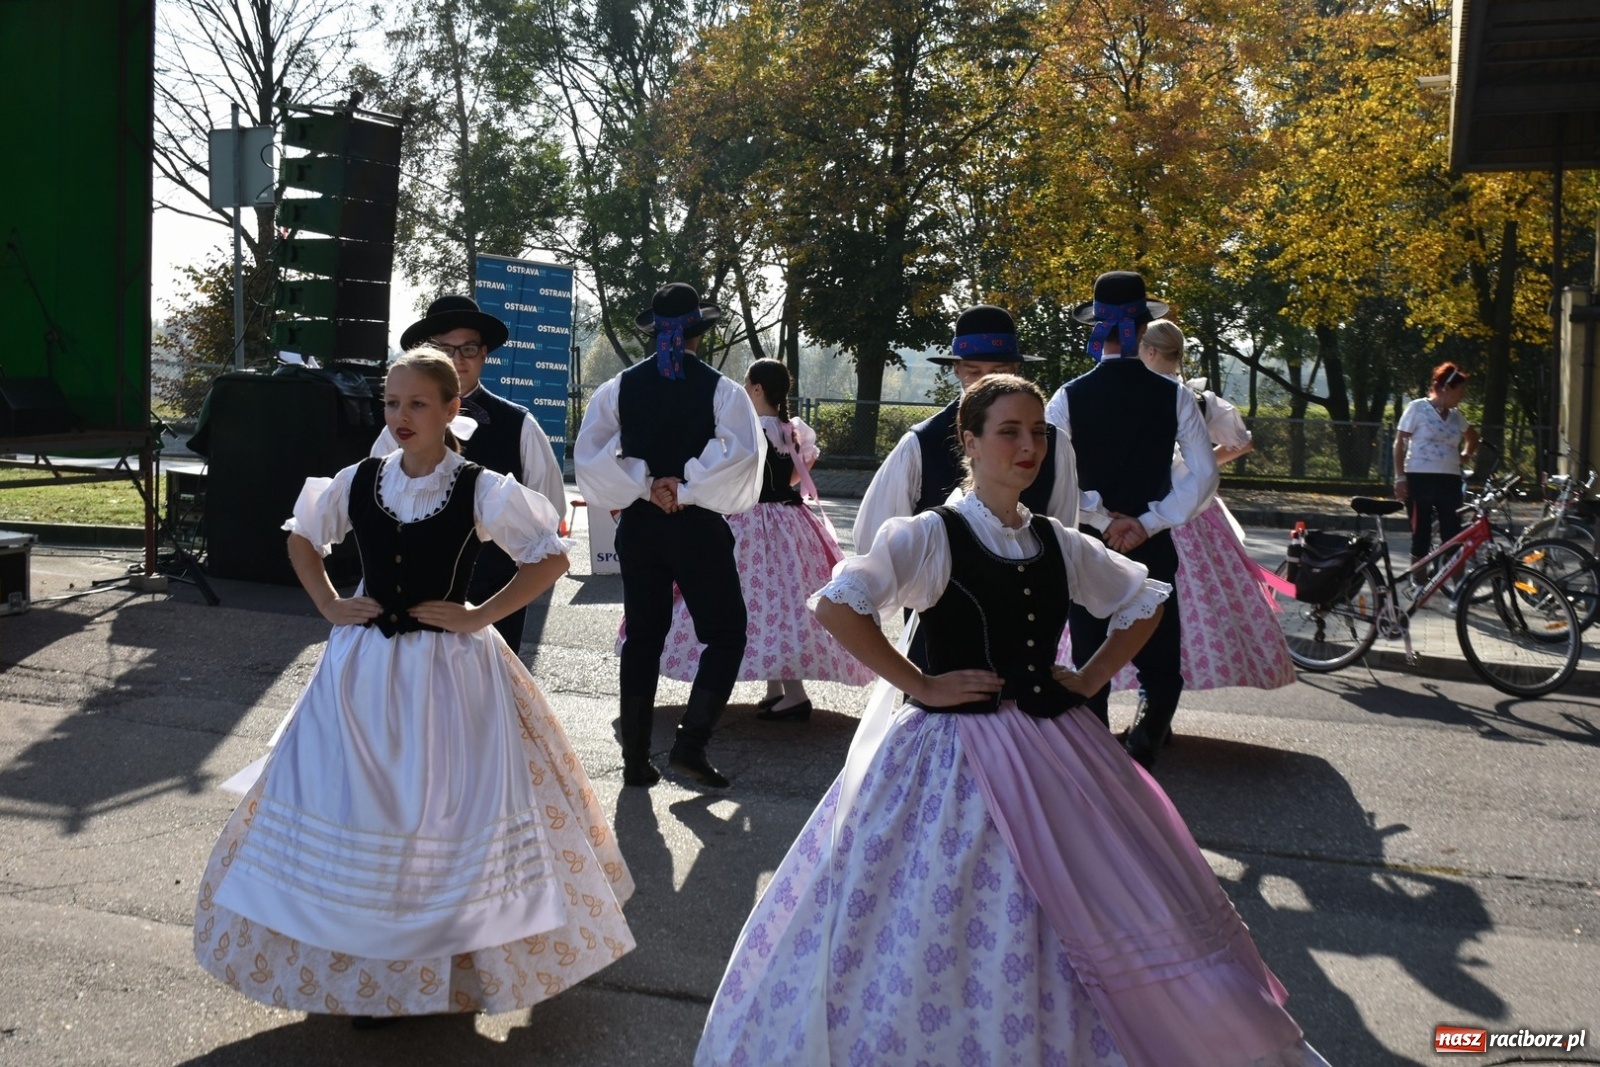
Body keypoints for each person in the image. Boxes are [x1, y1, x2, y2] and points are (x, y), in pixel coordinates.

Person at [695, 376, 1329, 1067]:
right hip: (948, 757)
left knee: (1086, 906)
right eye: (1009, 431)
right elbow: (837, 603)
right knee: (943, 917)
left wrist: (1089, 678)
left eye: (1037, 432)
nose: (1029, 446)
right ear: (969, 441)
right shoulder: (932, 534)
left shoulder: (1057, 539)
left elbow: (1144, 601)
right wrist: (921, 684)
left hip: (1057, 746)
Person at [193, 349, 634, 1023]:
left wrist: (480, 614)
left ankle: (452, 961)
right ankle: (367, 968)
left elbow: (549, 556)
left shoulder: (482, 486)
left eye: (417, 404)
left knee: (444, 814)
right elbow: (303, 538)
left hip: (452, 675)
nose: (400, 416)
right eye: (392, 403)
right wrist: (333, 602)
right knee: (357, 810)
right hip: (362, 673)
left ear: (453, 409)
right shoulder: (360, 478)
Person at [574, 282, 764, 789]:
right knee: (725, 635)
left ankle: (637, 759)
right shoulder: (723, 391)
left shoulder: (617, 389)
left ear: (653, 334)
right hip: (696, 528)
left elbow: (589, 457)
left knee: (643, 637)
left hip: (639, 526)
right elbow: (745, 455)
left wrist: (645, 484)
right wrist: (688, 488)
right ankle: (689, 744)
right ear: (699, 333)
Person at [1063, 319, 1295, 694]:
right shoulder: (1195, 396)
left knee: (1144, 605)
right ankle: (1158, 699)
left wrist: (1183, 469)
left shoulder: (1164, 396)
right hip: (1183, 509)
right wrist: (1191, 471)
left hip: (1157, 514)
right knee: (1185, 607)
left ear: (1150, 351)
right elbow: (1241, 443)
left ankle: (1140, 692)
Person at [1046, 271, 1218, 768]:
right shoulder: (1175, 395)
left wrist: (1101, 517)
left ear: (1096, 330)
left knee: (1090, 641)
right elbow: (1204, 474)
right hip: (1150, 542)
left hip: (1091, 544)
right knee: (1159, 640)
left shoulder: (1067, 396)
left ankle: (1093, 741)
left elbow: (1055, 473)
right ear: (1144, 331)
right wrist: (1149, 521)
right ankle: (1151, 728)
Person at [639, 357, 875, 720]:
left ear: (758, 389)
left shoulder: (750, 431)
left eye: (747, 385)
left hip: (751, 521)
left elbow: (728, 478)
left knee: (746, 600)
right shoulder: (789, 429)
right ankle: (779, 689)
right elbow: (799, 474)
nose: (744, 391)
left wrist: (687, 493)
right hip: (791, 521)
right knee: (784, 602)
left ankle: (793, 694)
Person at [371, 295, 567, 653]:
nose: (457, 359)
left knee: (487, 702)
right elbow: (373, 512)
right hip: (410, 603)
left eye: (468, 348)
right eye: (444, 348)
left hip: (493, 603)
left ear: (484, 353)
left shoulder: (519, 425)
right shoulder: (392, 432)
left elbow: (548, 518)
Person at [852, 304, 1077, 556]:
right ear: (956, 369)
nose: (985, 384)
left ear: (1016, 370)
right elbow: (873, 544)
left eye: (998, 373)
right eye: (974, 372)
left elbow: (1065, 538)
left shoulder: (1054, 443)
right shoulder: (920, 443)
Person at [1394, 362, 1478, 580]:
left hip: (1449, 480)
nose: (1462, 396)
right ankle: (1419, 582)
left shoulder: (1456, 416)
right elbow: (1399, 443)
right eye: (1460, 391)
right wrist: (1400, 477)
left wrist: (1465, 456)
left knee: (1453, 533)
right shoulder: (1417, 408)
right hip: (1419, 478)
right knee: (1420, 532)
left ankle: (1459, 587)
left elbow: (1473, 437)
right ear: (1446, 389)